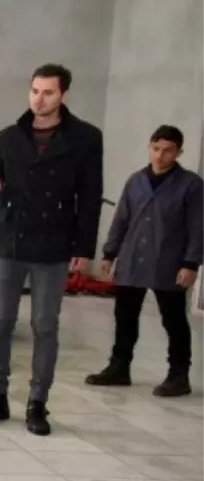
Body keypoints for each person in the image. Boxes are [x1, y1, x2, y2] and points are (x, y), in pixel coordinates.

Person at [0, 63, 104, 436]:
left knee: (45, 325)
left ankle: (37, 403)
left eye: (47, 92)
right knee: (0, 323)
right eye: (34, 90)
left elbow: (90, 195)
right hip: (8, 240)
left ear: (63, 94)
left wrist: (84, 246)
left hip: (54, 242)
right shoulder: (7, 137)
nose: (39, 99)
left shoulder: (85, 138)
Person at [86, 125, 204, 397]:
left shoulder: (191, 186)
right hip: (132, 259)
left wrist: (191, 264)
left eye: (168, 151)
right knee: (125, 315)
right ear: (149, 148)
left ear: (179, 153)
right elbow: (121, 219)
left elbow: (199, 227)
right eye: (156, 149)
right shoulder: (136, 180)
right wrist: (109, 254)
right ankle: (119, 367)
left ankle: (178, 374)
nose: (160, 156)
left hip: (170, 261)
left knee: (173, 318)